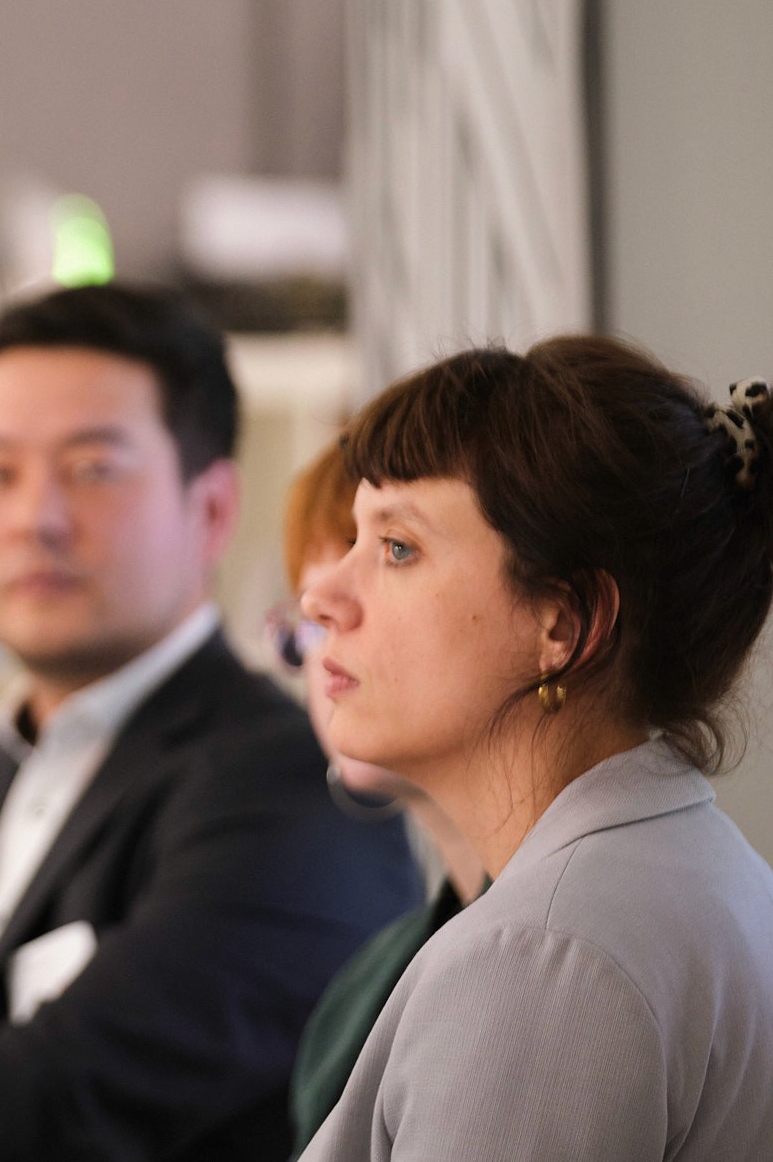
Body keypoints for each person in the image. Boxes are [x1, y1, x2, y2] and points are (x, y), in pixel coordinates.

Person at [0, 284, 420, 1162]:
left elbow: (49, 1112)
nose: (34, 518)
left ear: (212, 508)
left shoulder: (300, 788)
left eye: (92, 469)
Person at [298, 338, 773, 1161]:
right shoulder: (652, 881)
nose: (320, 595)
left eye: (398, 547)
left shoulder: (545, 956)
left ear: (564, 624)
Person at [272, 442, 484, 1151]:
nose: (325, 617)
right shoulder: (364, 985)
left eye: (396, 552)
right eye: (309, 623)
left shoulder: (548, 946)